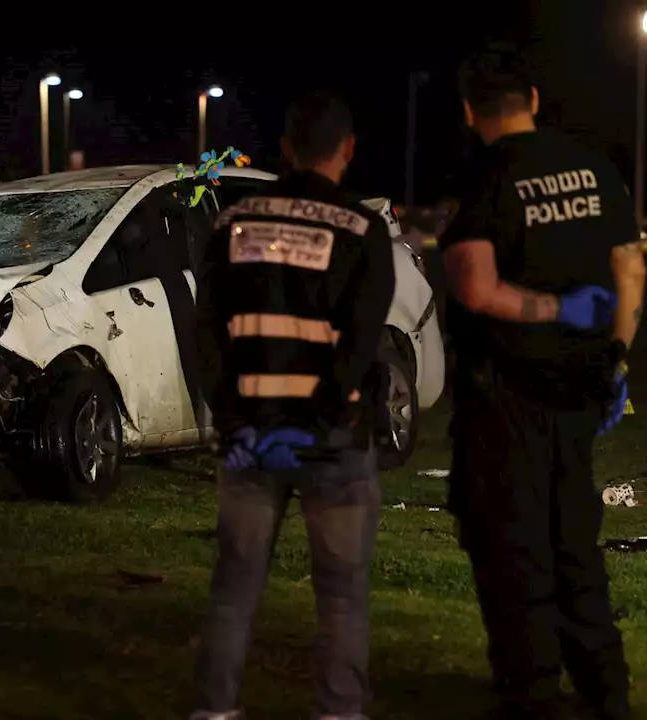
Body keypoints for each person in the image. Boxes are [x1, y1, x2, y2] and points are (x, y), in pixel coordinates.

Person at [440, 44, 641, 720]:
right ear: (532, 100)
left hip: (508, 395)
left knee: (514, 543)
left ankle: (531, 694)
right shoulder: (593, 165)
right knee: (575, 539)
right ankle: (605, 690)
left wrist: (549, 309)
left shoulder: (485, 175)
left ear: (471, 112)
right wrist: (616, 357)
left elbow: (474, 284)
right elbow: (630, 266)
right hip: (583, 388)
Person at [192, 91, 395, 720]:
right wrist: (316, 419)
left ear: (285, 150)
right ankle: (338, 712)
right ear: (348, 150)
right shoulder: (363, 229)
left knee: (235, 587)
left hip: (251, 436)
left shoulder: (233, 223)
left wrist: (232, 419)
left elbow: (206, 334)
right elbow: (361, 344)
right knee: (340, 594)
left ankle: (215, 710)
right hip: (329, 439)